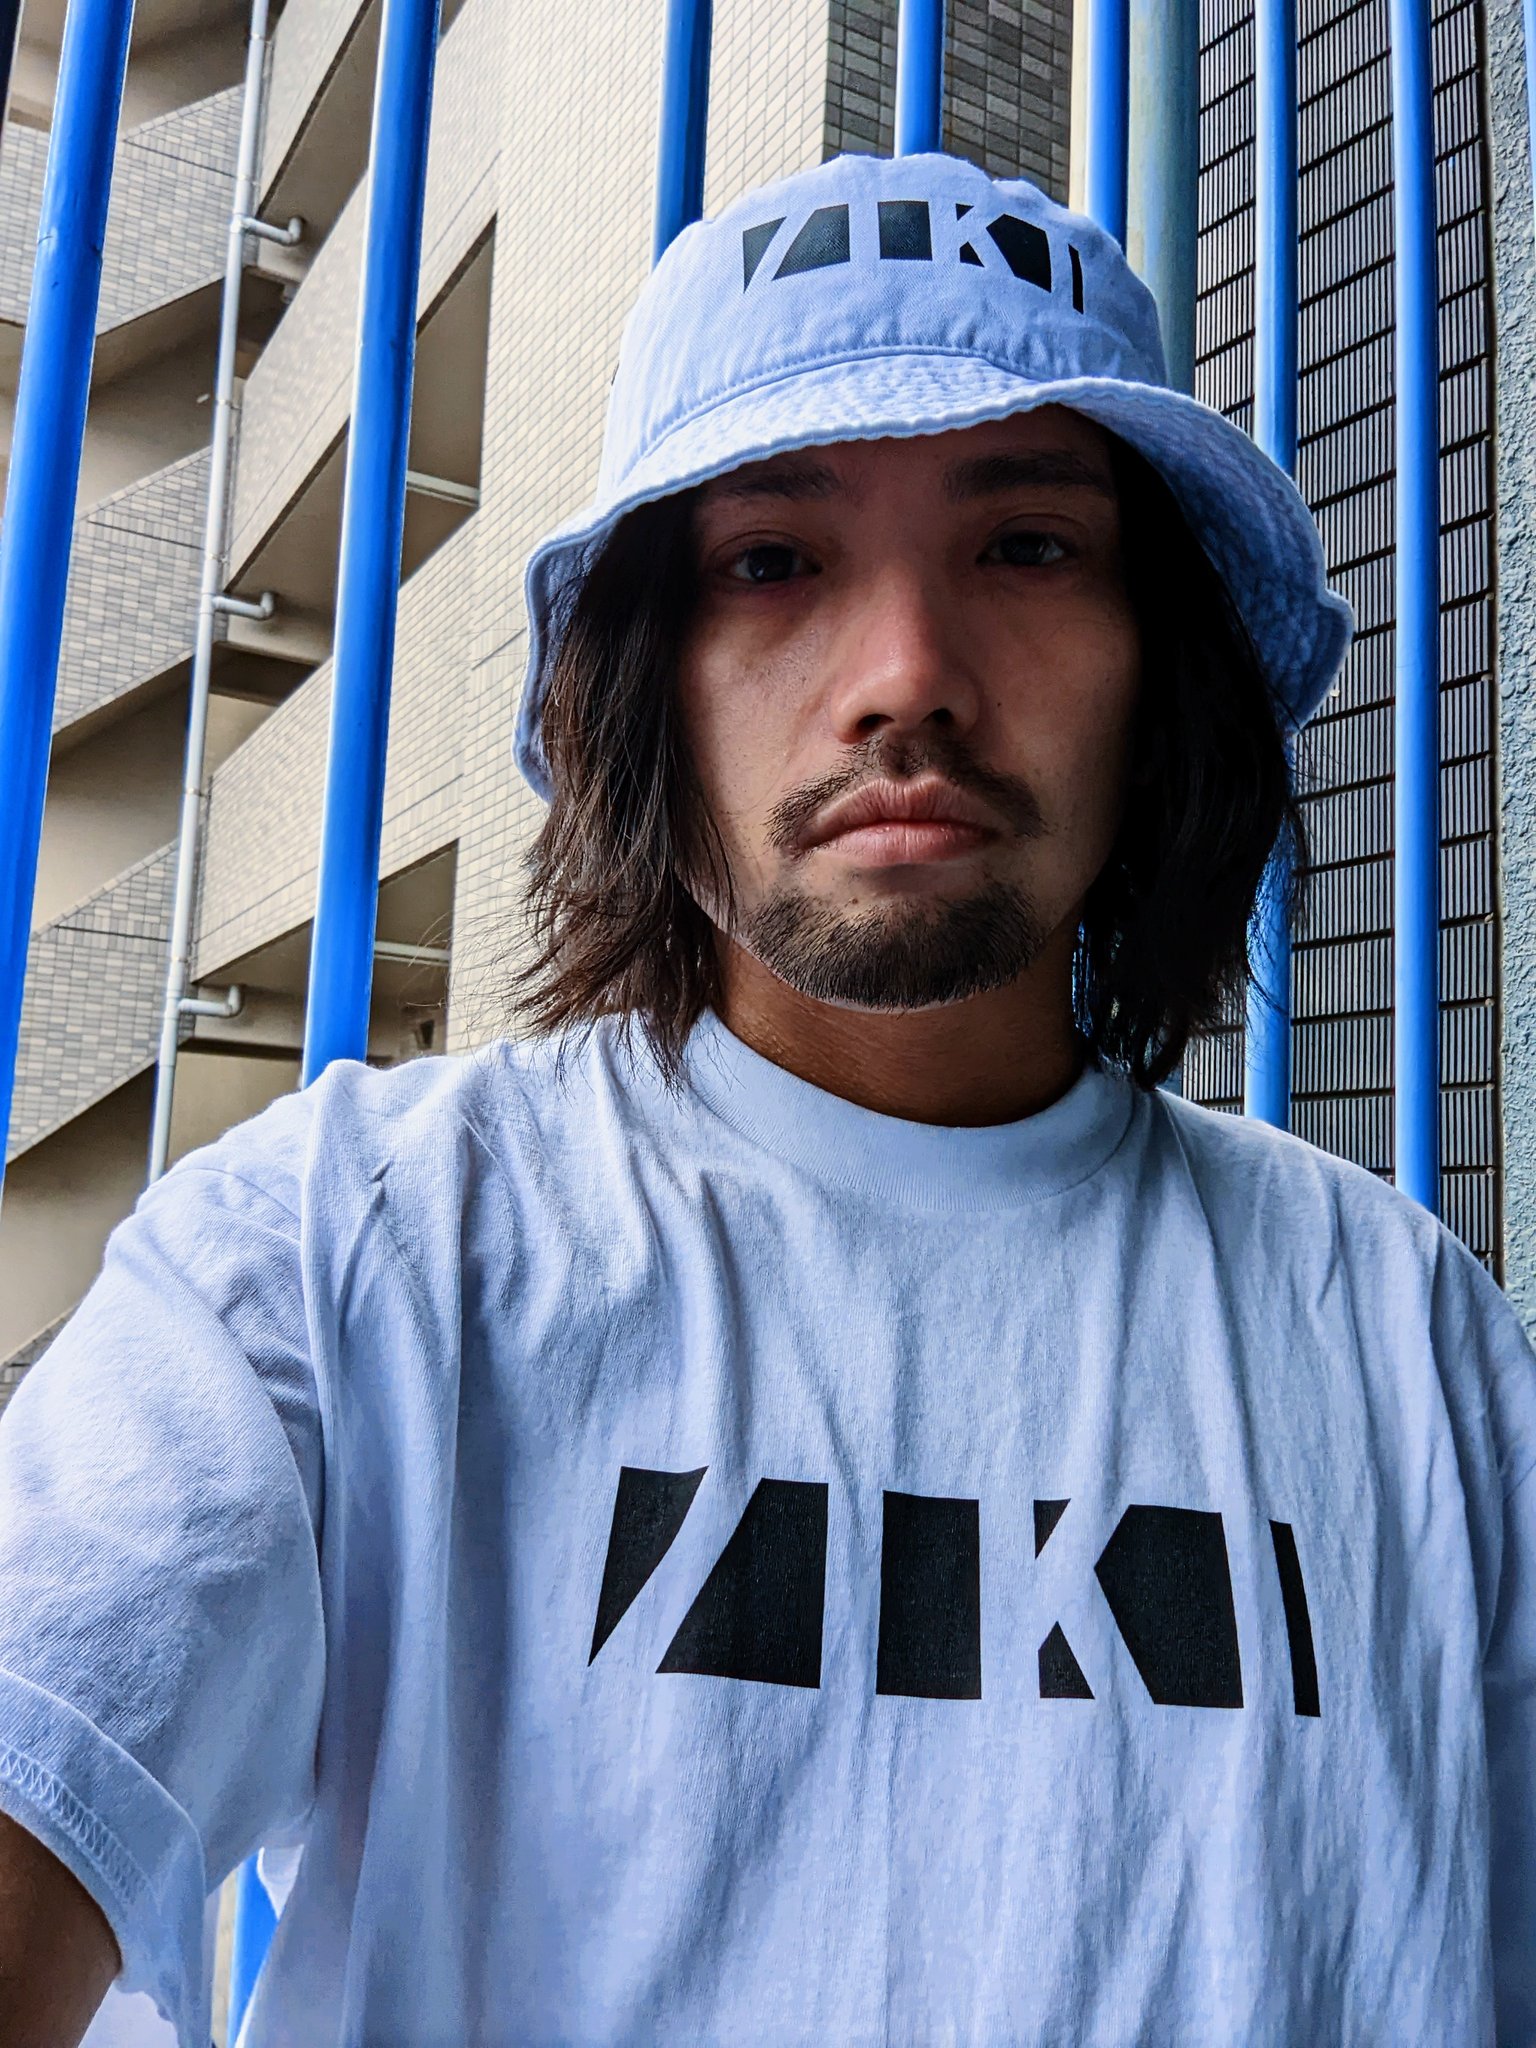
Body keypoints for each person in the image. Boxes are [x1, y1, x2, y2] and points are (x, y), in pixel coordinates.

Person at [0, 147, 1531, 2048]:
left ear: (1164, 664)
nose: (907, 679)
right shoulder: (346, 1260)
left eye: (1029, 546)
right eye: (772, 560)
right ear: (642, 676)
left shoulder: (1408, 1337)